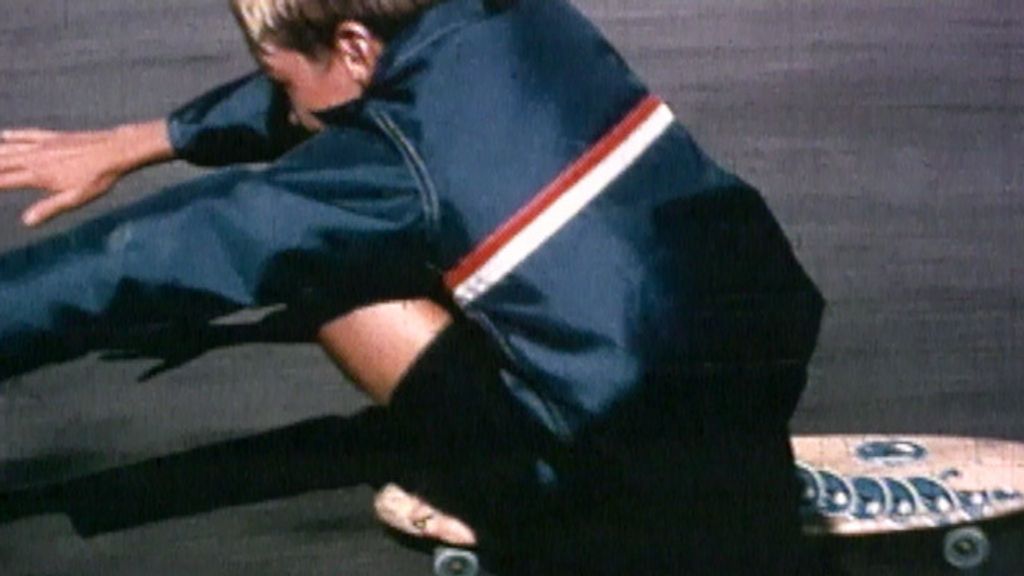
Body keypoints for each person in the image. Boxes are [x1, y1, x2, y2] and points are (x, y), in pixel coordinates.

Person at [0, 0, 826, 573]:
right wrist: (153, 138)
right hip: (763, 366)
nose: (283, 96)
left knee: (326, 261)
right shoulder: (517, 20)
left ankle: (513, 503)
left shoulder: (400, 163)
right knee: (471, 222)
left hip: (614, 493)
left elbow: (144, 258)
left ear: (357, 45)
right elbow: (336, 86)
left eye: (277, 76)